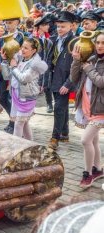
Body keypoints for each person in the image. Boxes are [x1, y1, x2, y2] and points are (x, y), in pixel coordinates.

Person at [70, 33, 104, 189]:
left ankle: (88, 173)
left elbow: (101, 82)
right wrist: (76, 60)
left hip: (100, 109)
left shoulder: (91, 63)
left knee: (85, 140)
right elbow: (74, 78)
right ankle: (98, 169)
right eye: (97, 42)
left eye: (103, 43)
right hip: (87, 105)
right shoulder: (91, 58)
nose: (99, 45)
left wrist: (89, 68)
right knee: (94, 140)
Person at [1, 38, 48, 140]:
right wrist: (5, 61)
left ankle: (15, 148)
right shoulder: (20, 59)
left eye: (26, 48)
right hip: (16, 94)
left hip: (27, 96)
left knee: (18, 123)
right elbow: (7, 77)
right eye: (22, 47)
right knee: (24, 123)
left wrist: (13, 67)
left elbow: (24, 79)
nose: (22, 49)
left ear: (34, 50)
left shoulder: (35, 64)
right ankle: (30, 145)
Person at [47, 11, 77, 150]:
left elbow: (77, 67)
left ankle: (55, 138)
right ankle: (65, 133)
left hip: (66, 81)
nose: (59, 29)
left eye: (63, 26)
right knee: (62, 108)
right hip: (54, 79)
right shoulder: (54, 39)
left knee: (58, 108)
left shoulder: (75, 42)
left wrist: (68, 84)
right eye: (58, 26)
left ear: (71, 26)